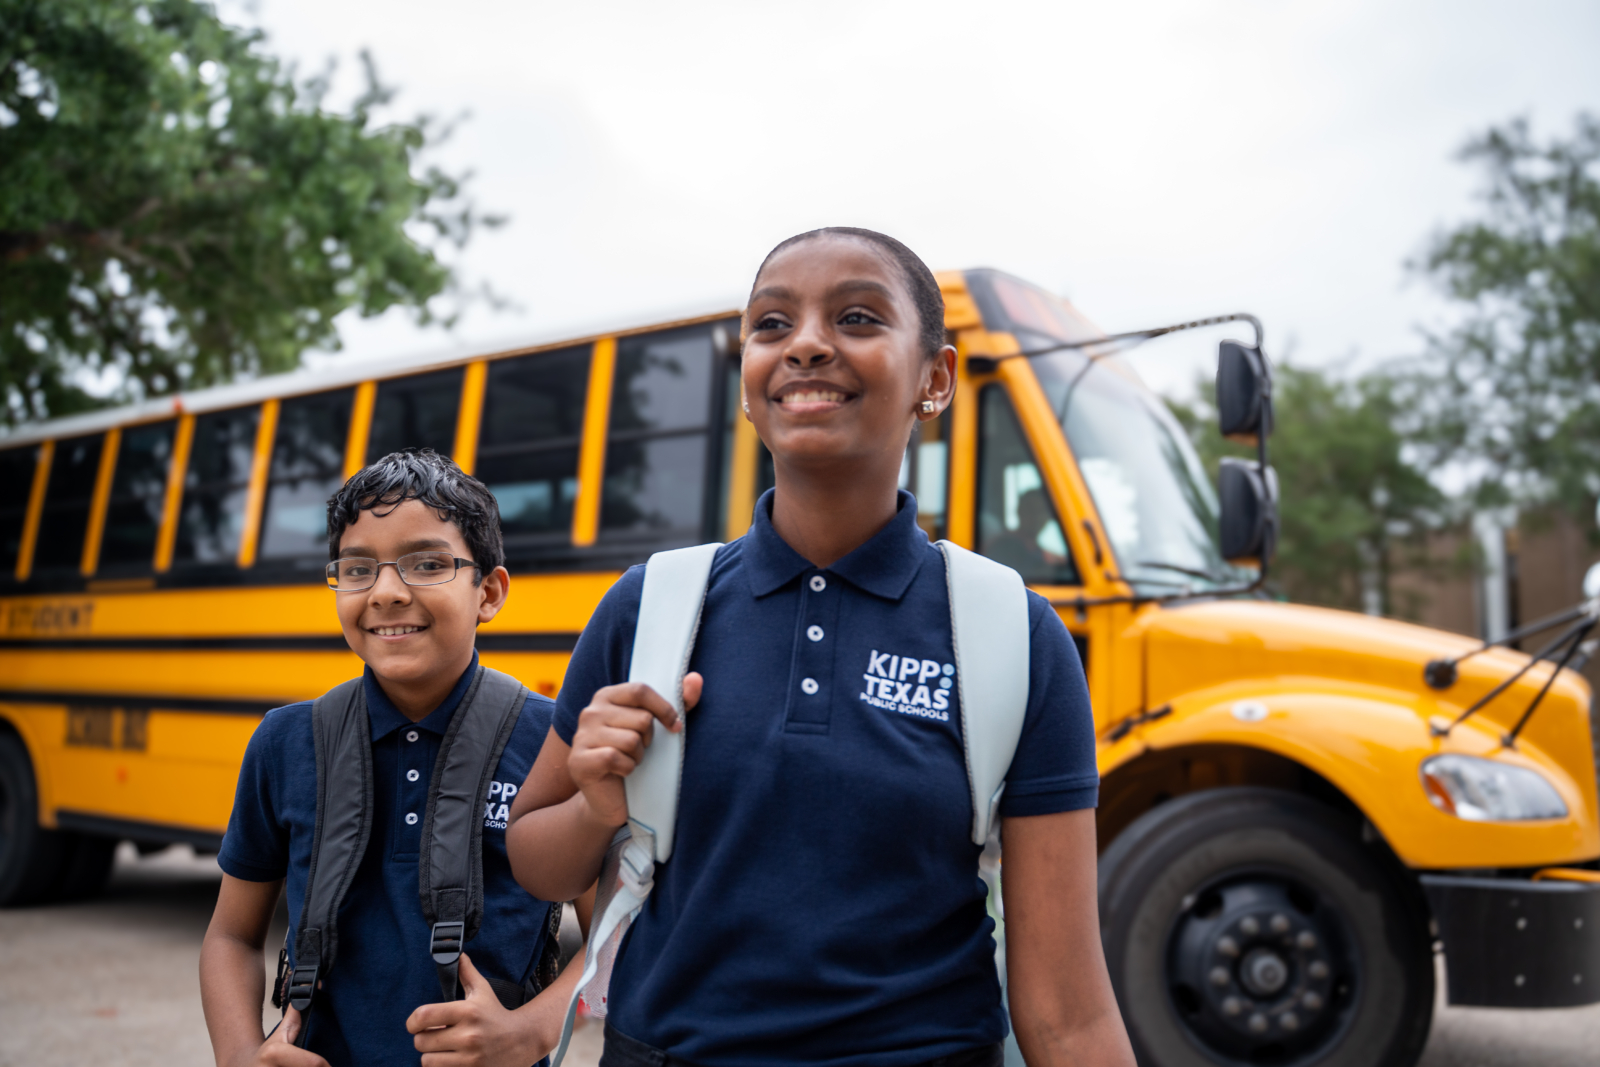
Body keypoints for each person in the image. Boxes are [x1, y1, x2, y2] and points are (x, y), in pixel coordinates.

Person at [506, 229, 1134, 1067]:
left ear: (934, 379)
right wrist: (594, 804)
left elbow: (1067, 1013)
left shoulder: (1014, 634)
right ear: (747, 384)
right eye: (771, 325)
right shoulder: (650, 607)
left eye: (859, 317)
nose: (805, 343)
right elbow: (537, 866)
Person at [199, 449, 585, 1067]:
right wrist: (240, 1054)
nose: (384, 593)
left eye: (427, 564)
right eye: (357, 570)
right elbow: (231, 936)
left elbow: (616, 938)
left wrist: (531, 1032)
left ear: (489, 591)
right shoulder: (283, 743)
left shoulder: (553, 742)